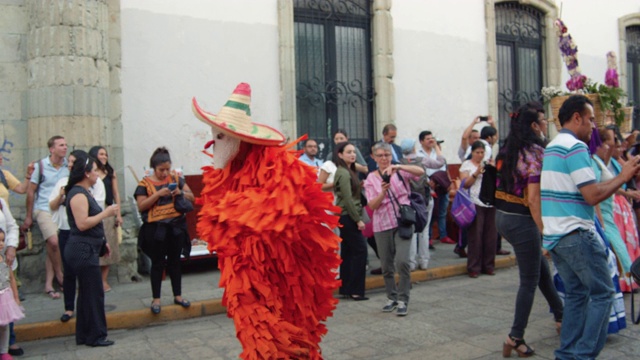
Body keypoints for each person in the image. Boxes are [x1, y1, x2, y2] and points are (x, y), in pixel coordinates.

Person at [541, 95, 640, 359]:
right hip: (576, 233)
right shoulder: (575, 147)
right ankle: (583, 355)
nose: (594, 126)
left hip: (556, 235)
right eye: (591, 119)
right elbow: (592, 195)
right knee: (604, 294)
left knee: (576, 295)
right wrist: (623, 176)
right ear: (577, 118)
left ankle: (567, 353)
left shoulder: (552, 146)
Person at [495, 103, 563, 357]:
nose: (546, 124)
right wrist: (546, 231)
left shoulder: (507, 148)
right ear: (534, 125)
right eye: (544, 120)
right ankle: (515, 336)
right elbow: (534, 199)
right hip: (523, 220)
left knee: (539, 271)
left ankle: (561, 314)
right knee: (529, 280)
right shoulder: (535, 152)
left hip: (502, 217)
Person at [64, 152, 118, 347]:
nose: (97, 174)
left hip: (88, 247)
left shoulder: (83, 192)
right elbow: (83, 223)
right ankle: (95, 335)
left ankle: (85, 335)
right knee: (94, 293)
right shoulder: (78, 194)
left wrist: (103, 243)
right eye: (94, 170)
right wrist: (106, 213)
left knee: (87, 293)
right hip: (82, 249)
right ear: (86, 173)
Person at [364, 142, 424, 316]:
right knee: (386, 265)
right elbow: (372, 205)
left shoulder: (400, 172)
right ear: (374, 157)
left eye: (387, 155)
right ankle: (392, 297)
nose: (384, 159)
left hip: (402, 222)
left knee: (403, 261)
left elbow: (420, 172)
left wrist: (398, 166)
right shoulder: (370, 179)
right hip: (381, 225)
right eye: (380, 155)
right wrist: (382, 192)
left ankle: (403, 299)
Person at [135, 147, 194, 314]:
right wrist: (158, 194)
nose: (165, 173)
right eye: (161, 170)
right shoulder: (144, 184)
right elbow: (141, 206)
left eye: (167, 169)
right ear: (154, 167)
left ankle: (178, 295)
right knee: (158, 264)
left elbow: (192, 197)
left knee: (175, 262)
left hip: (175, 227)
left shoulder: (176, 178)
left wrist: (180, 192)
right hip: (156, 229)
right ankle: (156, 299)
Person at [22, 135, 69, 299]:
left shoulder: (67, 167)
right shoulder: (40, 166)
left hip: (60, 210)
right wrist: (28, 216)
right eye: (61, 145)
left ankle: (49, 285)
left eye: (65, 145)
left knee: (52, 245)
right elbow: (31, 191)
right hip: (43, 209)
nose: (65, 147)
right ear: (52, 149)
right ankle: (60, 275)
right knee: (54, 241)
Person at [0, 153, 32, 357]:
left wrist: (10, 247)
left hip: (3, 258)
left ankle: (7, 346)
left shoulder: (1, 203)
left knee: (6, 303)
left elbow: (11, 226)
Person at [333, 142, 368, 301]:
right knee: (360, 251)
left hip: (346, 215)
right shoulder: (344, 173)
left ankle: (346, 288)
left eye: (354, 152)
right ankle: (356, 290)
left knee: (348, 252)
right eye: (348, 152)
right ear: (340, 155)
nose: (352, 155)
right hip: (348, 216)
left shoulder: (348, 171)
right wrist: (358, 219)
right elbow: (347, 198)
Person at [400, 138, 440, 270]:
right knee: (424, 230)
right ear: (414, 148)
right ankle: (424, 261)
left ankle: (411, 262)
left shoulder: (400, 163)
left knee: (411, 230)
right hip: (424, 199)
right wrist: (437, 148)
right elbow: (440, 163)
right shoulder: (422, 159)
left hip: (408, 201)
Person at [459, 141, 497, 278]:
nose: (480, 155)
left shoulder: (488, 163)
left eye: (482, 152)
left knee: (490, 236)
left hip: (490, 202)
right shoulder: (466, 165)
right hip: (474, 202)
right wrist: (476, 173)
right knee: (476, 236)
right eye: (477, 152)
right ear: (472, 152)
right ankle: (473, 267)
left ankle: (489, 265)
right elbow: (465, 185)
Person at [89, 146, 122, 292]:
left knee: (110, 246)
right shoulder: (90, 174)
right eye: (101, 154)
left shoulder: (110, 172)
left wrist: (118, 214)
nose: (104, 157)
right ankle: (94, 279)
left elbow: (116, 193)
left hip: (108, 211)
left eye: (106, 154)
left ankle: (103, 280)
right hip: (94, 213)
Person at [417, 131, 454, 245]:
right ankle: (428, 238)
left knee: (442, 211)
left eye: (432, 138)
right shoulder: (419, 154)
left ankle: (443, 235)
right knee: (430, 213)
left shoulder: (437, 152)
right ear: (421, 141)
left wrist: (448, 183)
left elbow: (444, 167)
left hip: (441, 185)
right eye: (427, 139)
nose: (430, 140)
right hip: (429, 185)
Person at [0, 228, 24, 360]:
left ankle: (4, 351)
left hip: (5, 297)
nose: (1, 243)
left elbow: (12, 278)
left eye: (2, 240)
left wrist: (15, 296)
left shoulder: (4, 259)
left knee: (5, 326)